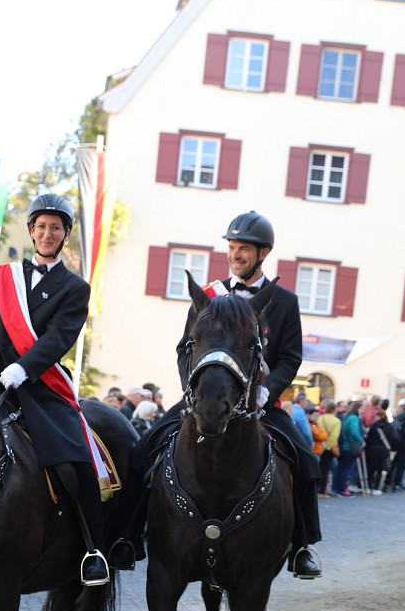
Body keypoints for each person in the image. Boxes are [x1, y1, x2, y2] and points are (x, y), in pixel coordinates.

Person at [111, 210, 322, 579]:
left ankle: (301, 546)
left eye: (244, 249)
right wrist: (190, 391)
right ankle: (128, 537)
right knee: (141, 451)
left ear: (262, 254)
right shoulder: (208, 296)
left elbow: (290, 357)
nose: (235, 254)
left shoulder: (284, 301)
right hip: (203, 397)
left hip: (256, 403)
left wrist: (267, 393)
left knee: (305, 460)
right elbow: (184, 349)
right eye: (232, 247)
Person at [0, 192, 109, 586]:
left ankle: (93, 548)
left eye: (55, 227)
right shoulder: (4, 278)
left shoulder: (75, 288)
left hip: (42, 382)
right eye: (40, 226)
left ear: (65, 234)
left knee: (74, 458)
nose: (46, 233)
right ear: (31, 231)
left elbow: (59, 337)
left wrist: (25, 367)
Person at [332, 399, 364, 496]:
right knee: (347, 469)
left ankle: (337, 488)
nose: (363, 411)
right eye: (362, 408)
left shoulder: (347, 416)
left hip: (344, 445)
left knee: (341, 468)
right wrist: (361, 440)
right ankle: (342, 489)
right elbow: (354, 432)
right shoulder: (354, 418)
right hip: (350, 446)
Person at [364, 408, 397, 494]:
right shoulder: (390, 427)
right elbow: (394, 439)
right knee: (380, 470)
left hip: (372, 450)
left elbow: (368, 439)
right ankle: (376, 488)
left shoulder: (374, 426)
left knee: (370, 470)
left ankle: (368, 487)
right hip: (384, 450)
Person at [317, 400, 341, 497]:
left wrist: (323, 445)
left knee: (319, 467)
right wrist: (328, 446)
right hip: (329, 448)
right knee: (325, 470)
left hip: (320, 446)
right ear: (333, 410)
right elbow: (334, 436)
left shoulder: (320, 418)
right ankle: (322, 490)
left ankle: (317, 487)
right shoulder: (337, 421)